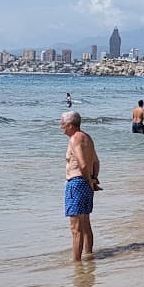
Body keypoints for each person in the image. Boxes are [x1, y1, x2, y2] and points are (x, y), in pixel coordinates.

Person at [61, 111, 101, 261]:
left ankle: (77, 263)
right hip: (86, 182)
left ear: (70, 125)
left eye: (63, 124)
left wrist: (89, 181)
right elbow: (96, 163)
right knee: (85, 224)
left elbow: (83, 164)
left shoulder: (74, 139)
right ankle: (89, 256)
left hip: (77, 183)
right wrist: (93, 178)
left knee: (75, 228)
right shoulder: (87, 138)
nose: (61, 127)